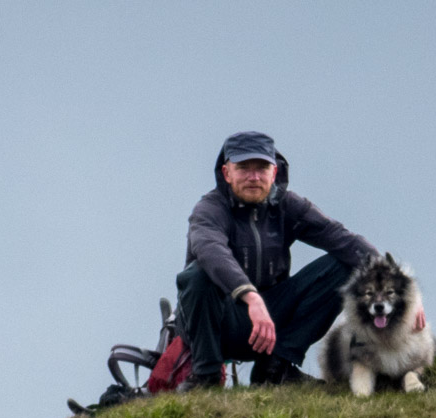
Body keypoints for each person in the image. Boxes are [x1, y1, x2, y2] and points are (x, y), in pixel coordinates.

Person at [176, 131, 422, 389]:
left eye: (261, 168)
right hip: (220, 322)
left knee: (346, 266)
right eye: (243, 168)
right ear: (227, 173)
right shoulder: (209, 210)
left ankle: (275, 368)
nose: (253, 177)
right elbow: (210, 249)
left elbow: (343, 239)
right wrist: (249, 295)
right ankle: (206, 375)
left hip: (271, 318)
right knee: (197, 275)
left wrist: (405, 292)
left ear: (274, 172)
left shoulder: (288, 206)